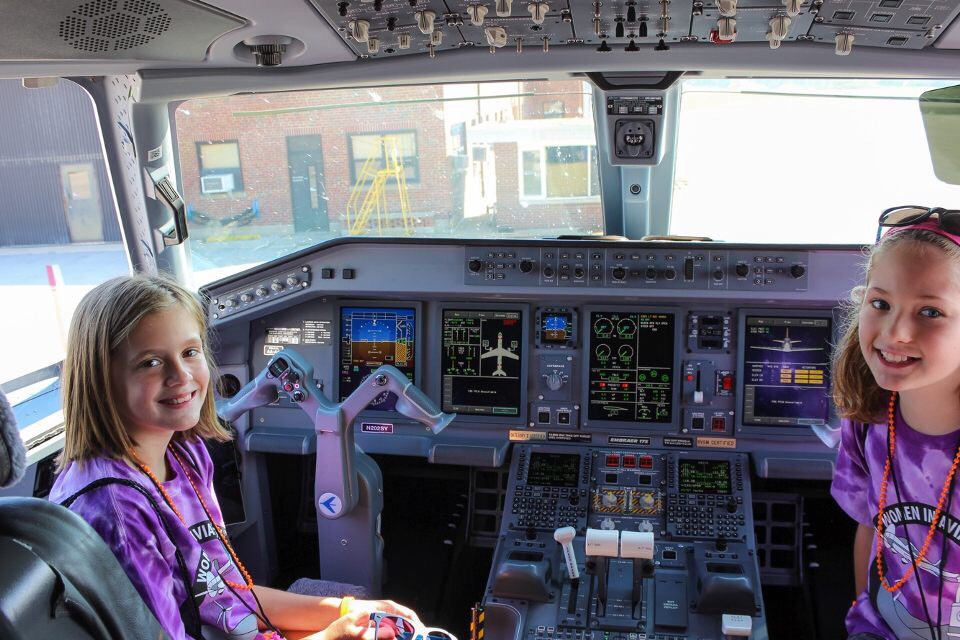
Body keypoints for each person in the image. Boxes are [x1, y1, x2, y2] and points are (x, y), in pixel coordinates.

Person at [49, 275, 421, 640]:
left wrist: (347, 610)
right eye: (151, 362)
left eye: (190, 353)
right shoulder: (117, 511)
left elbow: (223, 592)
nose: (181, 376)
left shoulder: (185, 453)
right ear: (100, 377)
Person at [832, 207, 960, 640]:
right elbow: (870, 529)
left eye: (931, 312)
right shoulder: (866, 422)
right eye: (881, 303)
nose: (895, 332)